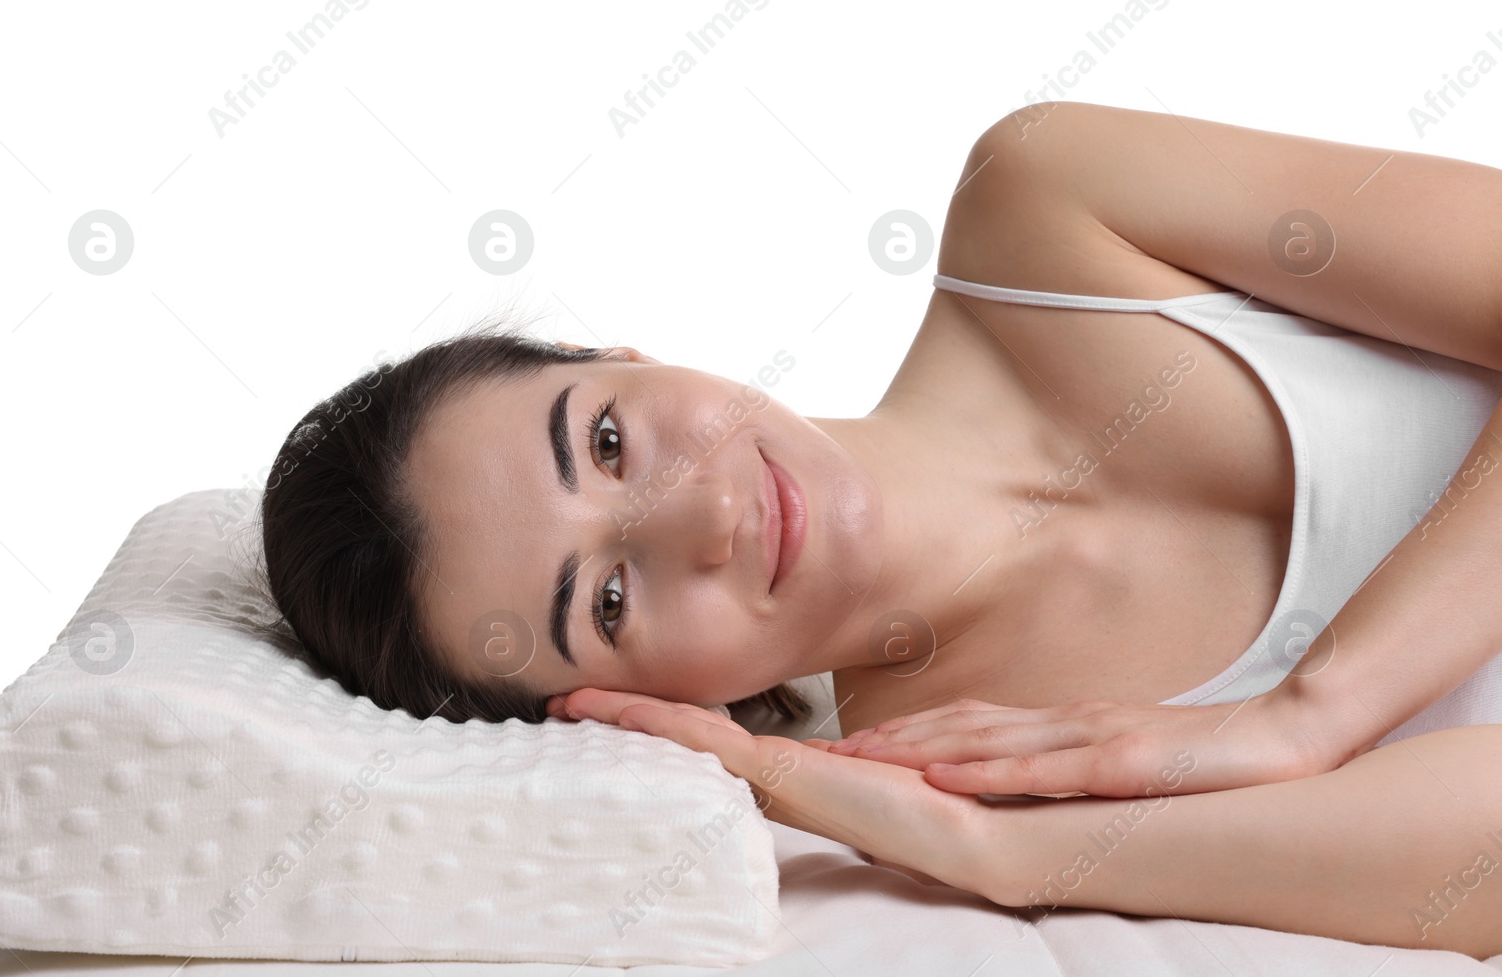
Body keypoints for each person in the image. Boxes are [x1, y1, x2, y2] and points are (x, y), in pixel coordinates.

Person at [260, 101, 1502, 958]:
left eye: (604, 440)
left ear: (623, 354)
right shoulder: (970, 777)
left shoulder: (1054, 211)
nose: (705, 512)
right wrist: (1003, 855)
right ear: (620, 717)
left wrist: (1311, 713)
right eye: (608, 602)